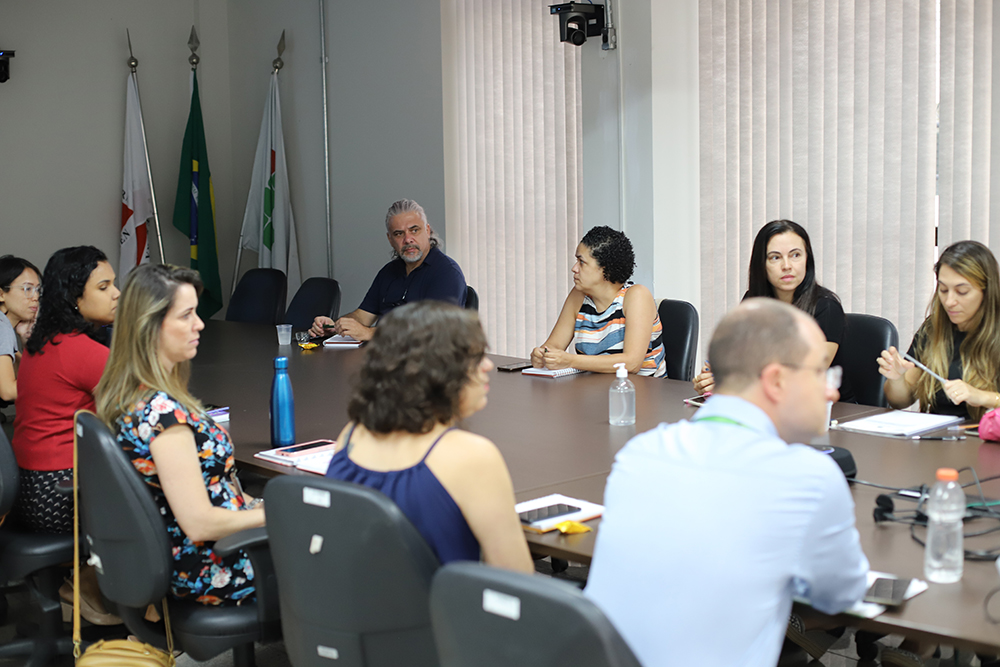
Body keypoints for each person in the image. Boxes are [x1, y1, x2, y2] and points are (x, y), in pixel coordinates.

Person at [585, 298, 869, 667]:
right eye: (821, 374)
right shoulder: (809, 478)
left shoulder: (641, 452)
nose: (831, 392)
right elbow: (841, 595)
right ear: (777, 381)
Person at [96, 264, 264, 605]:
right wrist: (278, 513)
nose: (199, 324)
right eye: (186, 315)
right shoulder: (162, 416)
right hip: (212, 565)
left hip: (200, 548)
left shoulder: (131, 393)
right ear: (151, 326)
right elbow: (200, 524)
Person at [325, 300, 532, 571]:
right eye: (474, 357)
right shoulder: (472, 455)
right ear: (438, 373)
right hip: (439, 612)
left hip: (351, 609)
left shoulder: (352, 435)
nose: (488, 366)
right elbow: (516, 580)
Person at [12, 246, 118, 534]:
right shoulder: (84, 352)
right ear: (74, 297)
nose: (117, 293)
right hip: (61, 492)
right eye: (104, 287)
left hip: (28, 490)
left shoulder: (45, 342)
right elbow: (144, 411)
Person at [693, 219, 853, 400]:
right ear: (762, 265)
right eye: (775, 257)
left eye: (795, 255)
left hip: (825, 411)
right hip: (770, 404)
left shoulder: (826, 307)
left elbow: (806, 375)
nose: (787, 265)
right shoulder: (753, 302)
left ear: (807, 260)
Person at [309, 199, 467, 341]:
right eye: (399, 234)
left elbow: (432, 332)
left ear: (427, 230)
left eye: (414, 230)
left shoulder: (446, 273)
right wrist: (335, 327)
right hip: (383, 358)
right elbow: (362, 316)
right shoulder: (389, 272)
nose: (408, 239)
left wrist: (369, 333)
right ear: (390, 239)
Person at [879, 240, 1000, 421]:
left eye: (962, 292)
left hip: (984, 440)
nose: (949, 301)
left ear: (986, 292)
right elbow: (900, 401)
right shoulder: (933, 329)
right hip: (939, 437)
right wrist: (897, 378)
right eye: (943, 290)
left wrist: (982, 397)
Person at [530, 226, 666, 377]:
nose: (574, 269)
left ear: (604, 269)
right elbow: (554, 346)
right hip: (596, 390)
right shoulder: (578, 296)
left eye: (581, 262)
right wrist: (542, 355)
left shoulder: (637, 296)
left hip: (641, 393)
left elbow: (632, 363)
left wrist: (570, 361)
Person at [0, 255, 41, 402]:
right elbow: (8, 392)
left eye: (37, 290)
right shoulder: (2, 326)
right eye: (27, 289)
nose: (35, 296)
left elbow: (21, 374)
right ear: (1, 294)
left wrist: (26, 338)